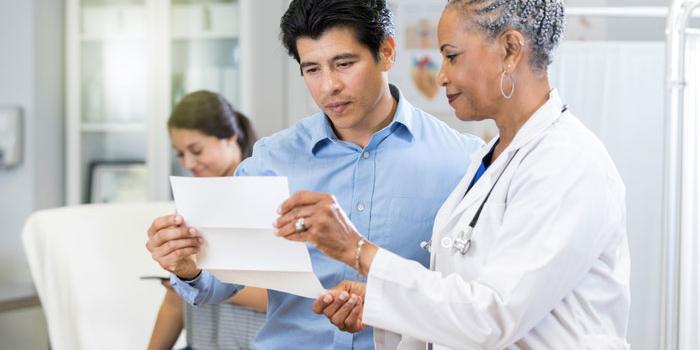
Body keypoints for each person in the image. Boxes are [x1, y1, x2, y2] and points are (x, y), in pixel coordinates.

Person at [276, 1, 631, 349]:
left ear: (510, 50)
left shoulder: (566, 162)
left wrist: (357, 250)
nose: (441, 75)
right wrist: (381, 304)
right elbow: (463, 299)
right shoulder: (489, 157)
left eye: (452, 56)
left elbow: (491, 318)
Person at [144, 0, 484, 349]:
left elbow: (470, 298)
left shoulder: (461, 162)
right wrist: (188, 267)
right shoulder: (271, 161)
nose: (328, 86)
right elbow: (222, 283)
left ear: (386, 52)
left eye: (344, 64)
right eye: (312, 69)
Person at [147, 90, 267, 350]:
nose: (188, 162)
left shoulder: (265, 196)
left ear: (231, 138)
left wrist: (203, 284)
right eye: (179, 153)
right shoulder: (191, 202)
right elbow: (173, 302)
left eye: (196, 150)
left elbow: (282, 296)